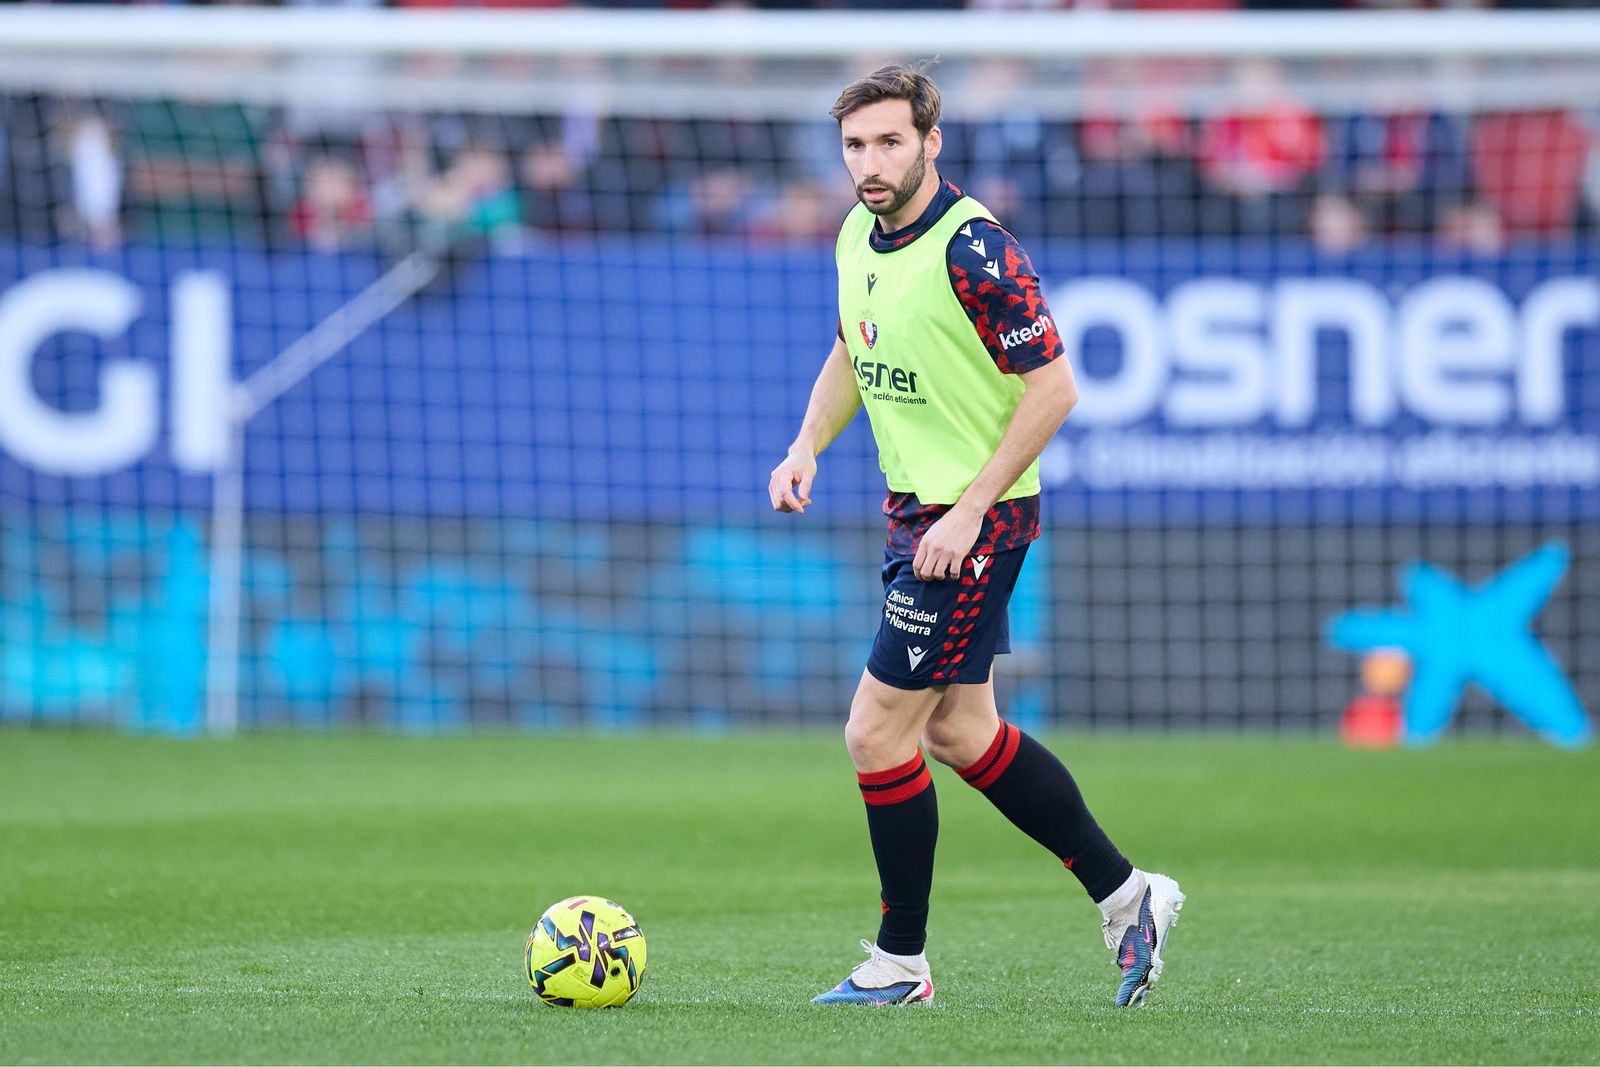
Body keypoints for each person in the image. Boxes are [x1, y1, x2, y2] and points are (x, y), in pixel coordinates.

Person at [767, 63, 1184, 1008]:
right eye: (854, 146)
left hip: (975, 521)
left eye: (888, 142)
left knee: (875, 731)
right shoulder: (856, 233)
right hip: (918, 514)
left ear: (931, 142)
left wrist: (968, 510)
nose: (869, 163)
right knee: (961, 730)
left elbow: (1055, 388)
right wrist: (805, 444)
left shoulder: (976, 248)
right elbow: (854, 346)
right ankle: (1131, 896)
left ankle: (899, 961)